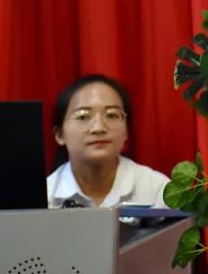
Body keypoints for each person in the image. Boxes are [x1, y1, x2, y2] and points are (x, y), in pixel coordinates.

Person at [46, 74, 170, 208]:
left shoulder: (158, 190)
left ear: (126, 131)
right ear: (60, 134)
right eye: (83, 117)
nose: (98, 128)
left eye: (111, 115)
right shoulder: (44, 197)